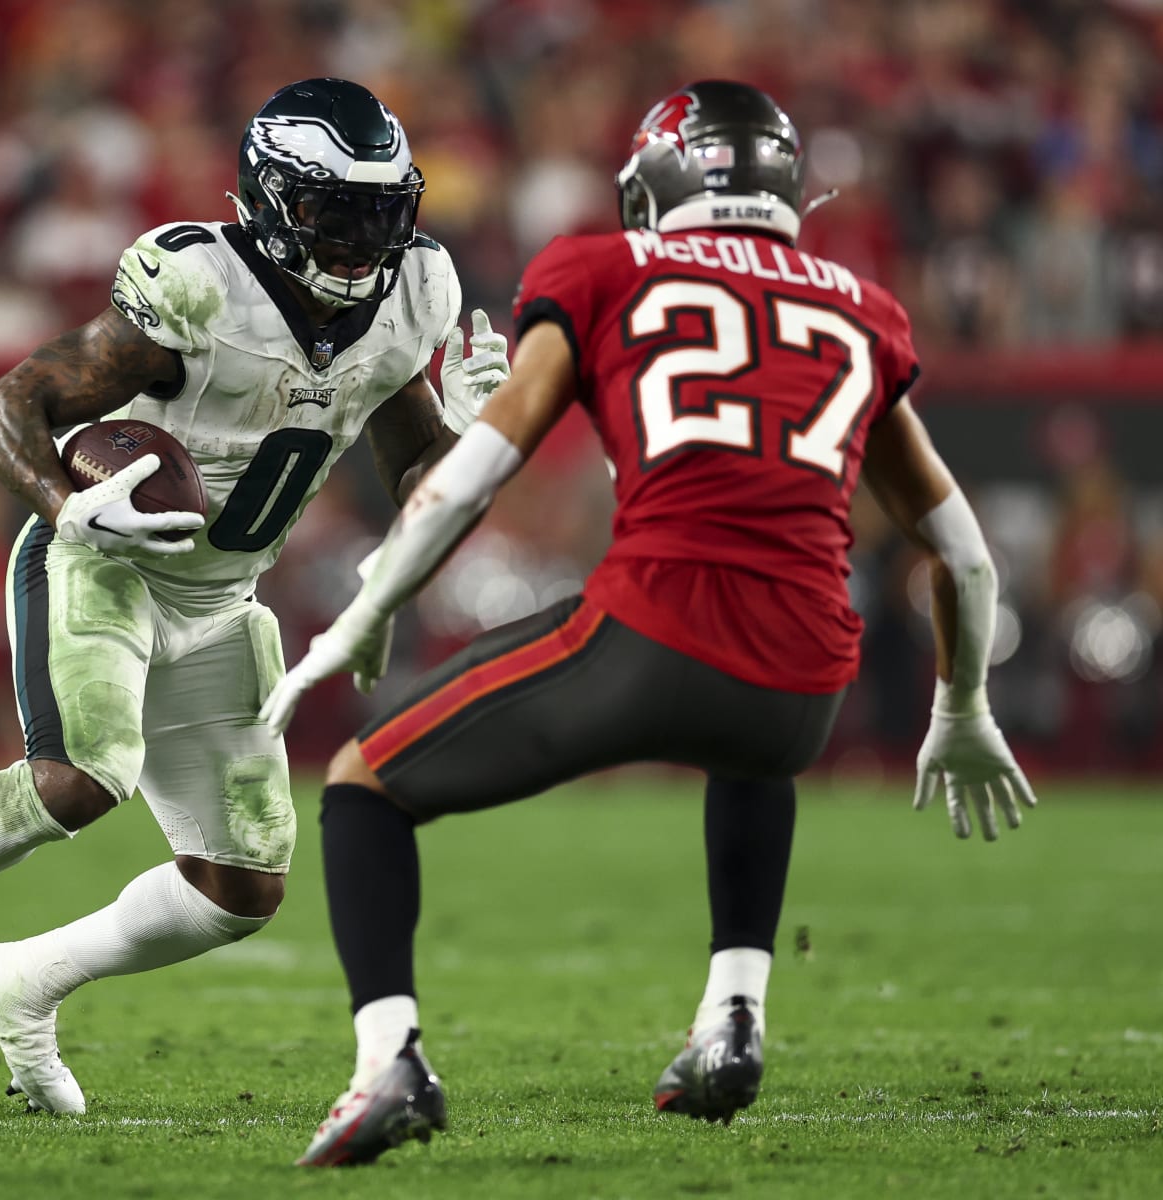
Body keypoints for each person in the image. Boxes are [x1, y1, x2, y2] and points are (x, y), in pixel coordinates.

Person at [259, 81, 1040, 1167]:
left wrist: (367, 609)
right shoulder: (859, 305)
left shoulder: (602, 267)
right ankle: (734, 1016)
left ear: (656, 187)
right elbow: (961, 552)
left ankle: (388, 1056)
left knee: (361, 783)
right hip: (806, 685)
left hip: (655, 634)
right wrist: (961, 708)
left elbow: (477, 473)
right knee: (748, 745)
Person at [0, 78, 511, 1115]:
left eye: (381, 217)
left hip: (222, 597)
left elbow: (418, 481)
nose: (360, 244)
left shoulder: (410, 298)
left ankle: (24, 980)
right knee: (88, 772)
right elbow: (7, 407)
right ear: (273, 199)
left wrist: (483, 441)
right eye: (337, 215)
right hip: (103, 560)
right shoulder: (199, 288)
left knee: (241, 888)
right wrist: (69, 507)